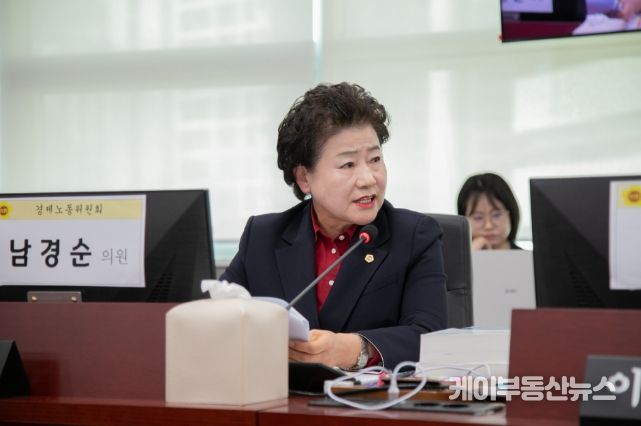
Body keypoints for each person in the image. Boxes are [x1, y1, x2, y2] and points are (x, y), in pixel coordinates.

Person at [220, 82, 447, 369]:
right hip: (279, 393)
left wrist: (354, 349)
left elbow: (431, 337)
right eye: (348, 165)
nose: (368, 179)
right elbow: (218, 320)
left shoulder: (414, 236)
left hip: (374, 396)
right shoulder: (263, 237)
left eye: (375, 159)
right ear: (304, 178)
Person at [457, 172, 521, 250]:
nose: (488, 226)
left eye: (496, 215)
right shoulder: (452, 257)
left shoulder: (529, 257)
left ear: (511, 215)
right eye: (478, 217)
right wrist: (470, 254)